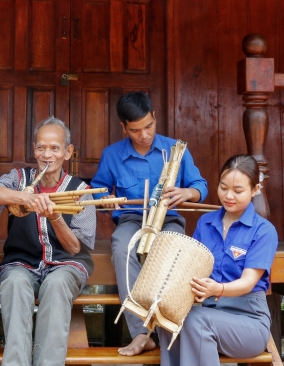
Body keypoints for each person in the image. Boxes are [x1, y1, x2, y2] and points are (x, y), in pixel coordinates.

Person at [91, 91, 208, 356]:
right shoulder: (112, 154)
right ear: (123, 127)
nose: (144, 135)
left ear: (155, 117)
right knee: (122, 247)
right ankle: (141, 334)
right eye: (135, 130)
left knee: (174, 252)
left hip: (168, 219)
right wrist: (106, 199)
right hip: (132, 219)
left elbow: (200, 186)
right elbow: (97, 190)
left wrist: (188, 193)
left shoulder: (176, 149)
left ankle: (172, 328)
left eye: (149, 126)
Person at [0, 116, 96, 366]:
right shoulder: (19, 178)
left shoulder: (81, 191)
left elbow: (76, 248)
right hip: (22, 263)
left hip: (66, 265)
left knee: (56, 285)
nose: (47, 155)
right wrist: (23, 198)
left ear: (68, 152)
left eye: (55, 148)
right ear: (34, 149)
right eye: (41, 147)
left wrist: (55, 218)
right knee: (14, 283)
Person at [157, 154, 279, 365]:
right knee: (168, 319)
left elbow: (249, 282)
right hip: (207, 312)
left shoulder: (264, 231)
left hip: (248, 320)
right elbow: (191, 270)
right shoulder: (206, 223)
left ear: (255, 190)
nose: (228, 195)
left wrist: (217, 290)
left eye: (238, 190)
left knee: (196, 321)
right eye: (223, 188)